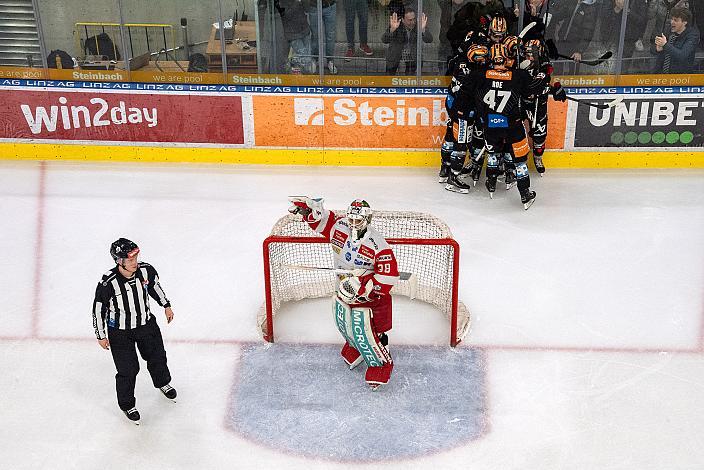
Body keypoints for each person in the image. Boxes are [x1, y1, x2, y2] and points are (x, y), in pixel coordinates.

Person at [288, 197, 399, 390]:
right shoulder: (340, 226)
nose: (354, 224)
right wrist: (310, 213)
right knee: (346, 323)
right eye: (351, 220)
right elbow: (321, 222)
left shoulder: (378, 244)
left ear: (368, 219)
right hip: (343, 289)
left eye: (359, 221)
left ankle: (380, 362)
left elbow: (388, 276)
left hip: (370, 298)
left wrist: (365, 286)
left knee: (371, 331)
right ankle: (355, 347)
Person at [92, 238, 177, 424]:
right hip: (120, 333)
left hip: (146, 324)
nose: (135, 262)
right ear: (118, 261)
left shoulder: (146, 270)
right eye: (130, 260)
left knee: (157, 356)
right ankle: (127, 404)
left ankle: (163, 382)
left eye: (136, 258)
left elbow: (154, 287)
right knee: (128, 370)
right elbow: (98, 309)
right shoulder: (108, 283)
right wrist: (101, 335)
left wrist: (166, 305)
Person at [382, 5, 433, 75]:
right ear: (402, 20)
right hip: (395, 56)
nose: (413, 22)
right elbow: (384, 40)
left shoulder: (419, 25)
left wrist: (423, 30)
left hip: (412, 57)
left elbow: (429, 40)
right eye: (410, 20)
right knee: (388, 80)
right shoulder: (396, 24)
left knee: (409, 80)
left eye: (414, 19)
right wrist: (392, 30)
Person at [654, 7, 700, 73]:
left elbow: (682, 55)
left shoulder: (692, 36)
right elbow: (653, 49)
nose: (672, 22)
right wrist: (658, 49)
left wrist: (665, 45)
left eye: (676, 20)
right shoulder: (668, 30)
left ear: (685, 22)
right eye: (672, 19)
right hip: (662, 75)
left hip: (680, 77)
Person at [276, 0, 316, 74]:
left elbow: (307, 8)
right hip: (292, 33)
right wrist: (297, 3)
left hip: (304, 29)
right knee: (305, 59)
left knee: (307, 57)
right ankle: (293, 65)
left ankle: (303, 74)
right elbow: (283, 14)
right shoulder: (281, 2)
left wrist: (303, 2)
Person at [307, 0, 339, 74]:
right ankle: (314, 59)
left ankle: (330, 61)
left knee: (330, 35)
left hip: (330, 5)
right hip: (314, 6)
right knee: (315, 35)